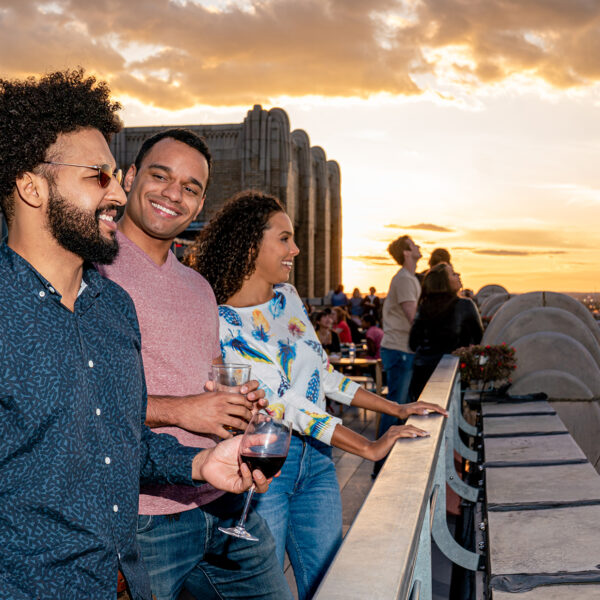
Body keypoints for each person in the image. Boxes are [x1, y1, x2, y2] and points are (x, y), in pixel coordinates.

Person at [0, 69, 271, 600]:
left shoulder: (111, 307)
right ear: (32, 187)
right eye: (98, 177)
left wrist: (198, 462)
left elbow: (115, 440)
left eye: (115, 177)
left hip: (118, 577)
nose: (119, 195)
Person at [185, 191, 447, 600]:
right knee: (267, 592)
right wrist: (368, 447)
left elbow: (323, 377)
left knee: (329, 583)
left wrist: (395, 407)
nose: (297, 248)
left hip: (319, 465)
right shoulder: (219, 321)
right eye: (285, 238)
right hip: (266, 470)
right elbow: (284, 408)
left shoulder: (288, 299)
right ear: (252, 245)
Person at [97, 129, 291, 600]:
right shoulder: (90, 270)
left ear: (201, 203)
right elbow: (82, 401)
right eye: (160, 176)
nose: (173, 194)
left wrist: (241, 406)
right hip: (143, 518)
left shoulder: (199, 287)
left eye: (190, 187)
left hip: (223, 503)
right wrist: (182, 410)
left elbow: (209, 380)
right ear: (128, 178)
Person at [374, 235, 422, 477]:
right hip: (400, 350)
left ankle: (386, 462)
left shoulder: (408, 278)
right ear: (406, 252)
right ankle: (381, 463)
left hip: (402, 350)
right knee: (396, 407)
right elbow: (413, 317)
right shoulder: (404, 279)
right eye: (414, 245)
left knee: (399, 404)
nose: (418, 247)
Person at [409, 263, 483, 400]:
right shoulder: (465, 305)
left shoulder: (423, 308)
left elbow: (413, 343)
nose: (458, 275)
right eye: (453, 273)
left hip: (422, 375)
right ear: (444, 282)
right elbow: (480, 339)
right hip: (453, 374)